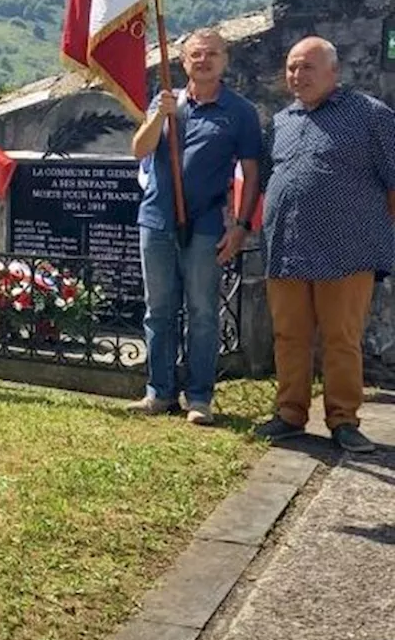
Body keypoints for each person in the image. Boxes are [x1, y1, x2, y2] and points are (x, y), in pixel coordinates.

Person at [237, 37, 395, 453]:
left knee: (341, 339)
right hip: (287, 248)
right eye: (291, 67)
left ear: (333, 71)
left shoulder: (370, 116)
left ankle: (343, 420)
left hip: (347, 251)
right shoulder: (283, 121)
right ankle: (290, 414)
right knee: (289, 336)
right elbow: (270, 180)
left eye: (307, 67)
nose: (297, 75)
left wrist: (378, 231)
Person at [127, 29, 263, 425]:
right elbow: (139, 149)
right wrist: (159, 115)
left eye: (212, 54)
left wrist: (240, 227)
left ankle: (199, 397)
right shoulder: (166, 102)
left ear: (225, 60)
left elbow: (252, 174)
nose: (203, 61)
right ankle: (159, 392)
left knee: (202, 311)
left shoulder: (240, 112)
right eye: (195, 55)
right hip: (155, 220)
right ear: (183, 62)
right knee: (159, 309)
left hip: (205, 225)